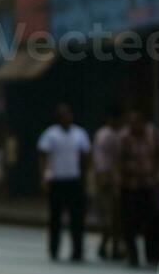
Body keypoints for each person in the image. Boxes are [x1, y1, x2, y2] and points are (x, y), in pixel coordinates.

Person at [37, 103, 91, 262]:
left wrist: (85, 177)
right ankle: (54, 250)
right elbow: (43, 156)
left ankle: (77, 251)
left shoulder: (79, 134)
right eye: (62, 115)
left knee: (77, 218)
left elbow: (86, 155)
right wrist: (44, 176)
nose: (66, 118)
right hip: (57, 181)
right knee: (55, 218)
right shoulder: (50, 134)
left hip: (73, 180)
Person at [116, 109, 159, 267]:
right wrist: (118, 181)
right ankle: (133, 255)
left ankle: (153, 254)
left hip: (150, 183)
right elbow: (118, 160)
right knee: (130, 221)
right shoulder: (124, 137)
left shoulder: (153, 134)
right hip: (131, 185)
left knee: (154, 219)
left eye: (136, 123)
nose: (133, 126)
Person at [92, 110, 124, 261]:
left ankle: (110, 246)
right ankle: (109, 246)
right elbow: (104, 160)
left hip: (114, 179)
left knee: (116, 216)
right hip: (108, 179)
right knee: (110, 217)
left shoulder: (118, 134)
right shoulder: (108, 136)